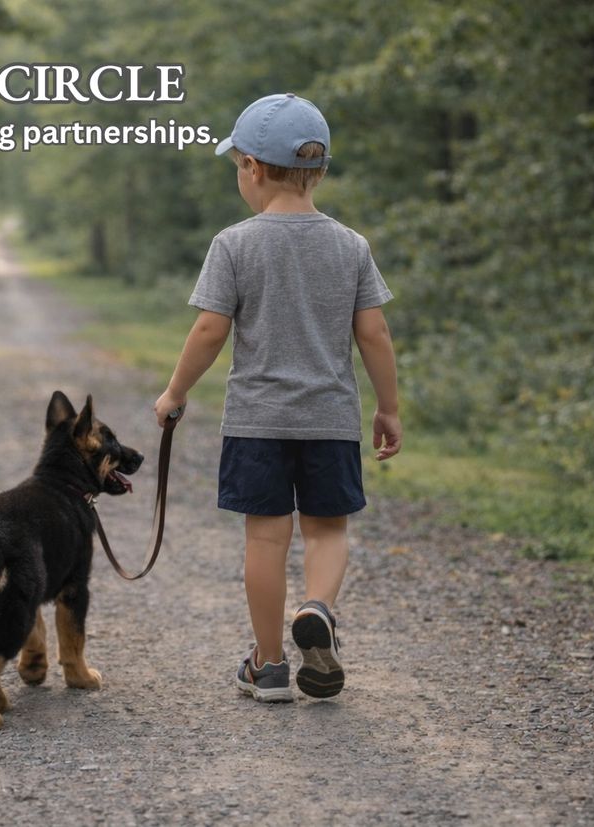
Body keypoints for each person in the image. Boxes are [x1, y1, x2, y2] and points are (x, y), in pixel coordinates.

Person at [154, 93, 401, 702]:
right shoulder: (351, 245)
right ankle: (316, 608)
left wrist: (175, 392)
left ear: (253, 169)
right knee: (326, 531)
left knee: (265, 539)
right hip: (330, 419)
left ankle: (268, 667)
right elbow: (374, 333)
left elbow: (210, 330)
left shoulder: (234, 244)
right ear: (318, 170)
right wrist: (388, 408)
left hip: (258, 422)